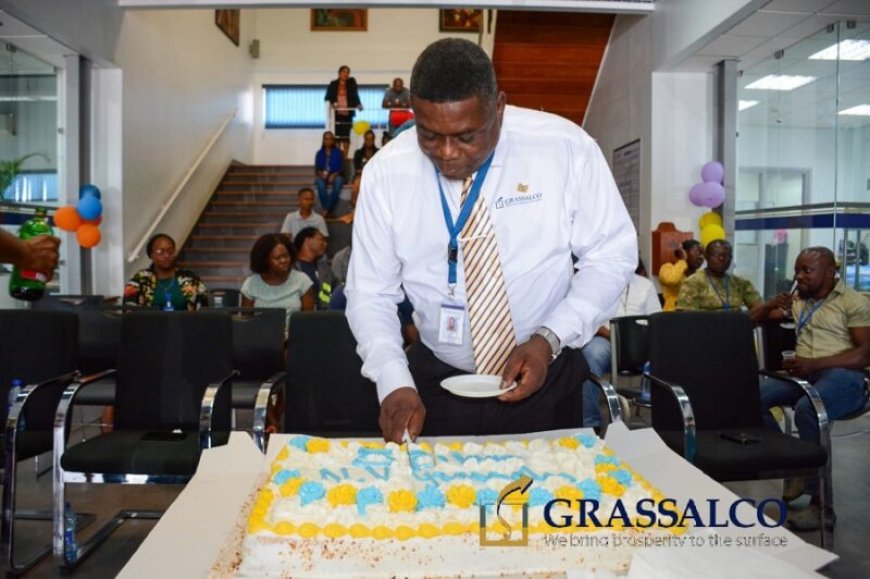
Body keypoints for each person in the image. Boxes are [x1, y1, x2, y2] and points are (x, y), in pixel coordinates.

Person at [345, 38, 637, 443]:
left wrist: (549, 337)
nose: (447, 153)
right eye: (429, 135)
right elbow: (371, 293)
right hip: (435, 388)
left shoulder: (564, 149)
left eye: (467, 136)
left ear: (498, 106)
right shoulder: (386, 174)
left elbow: (611, 256)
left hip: (546, 376)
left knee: (546, 500)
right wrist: (393, 380)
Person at [757, 247, 870, 531]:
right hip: (805, 374)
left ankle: (820, 506)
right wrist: (772, 302)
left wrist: (815, 363)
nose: (799, 276)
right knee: (751, 398)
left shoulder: (853, 302)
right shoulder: (799, 300)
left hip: (846, 376)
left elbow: (865, 355)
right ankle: (793, 465)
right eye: (797, 270)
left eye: (807, 270)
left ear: (830, 272)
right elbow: (752, 319)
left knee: (810, 409)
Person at [580, 258, 662, 427]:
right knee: (591, 354)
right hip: (607, 340)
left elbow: (656, 321)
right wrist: (614, 336)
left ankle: (667, 422)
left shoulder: (645, 285)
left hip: (640, 344)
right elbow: (589, 321)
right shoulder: (596, 285)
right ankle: (590, 423)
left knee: (668, 351)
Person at [676, 239, 767, 323]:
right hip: (706, 335)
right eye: (717, 255)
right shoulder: (693, 282)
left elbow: (761, 310)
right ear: (706, 257)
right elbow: (686, 321)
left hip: (737, 332)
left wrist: (773, 305)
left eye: (727, 256)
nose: (722, 259)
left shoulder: (740, 283)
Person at [241, 233, 315, 332]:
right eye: (277, 258)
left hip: (295, 340)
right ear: (264, 260)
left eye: (286, 256)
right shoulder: (251, 284)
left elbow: (309, 321)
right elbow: (246, 323)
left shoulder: (302, 280)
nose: (284, 260)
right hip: (260, 340)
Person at [123, 233, 207, 310]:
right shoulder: (141, 278)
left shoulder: (190, 278)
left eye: (170, 251)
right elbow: (128, 307)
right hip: (150, 325)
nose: (166, 255)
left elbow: (205, 307)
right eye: (160, 252)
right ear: (151, 255)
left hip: (185, 325)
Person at [324, 65, 362, 159]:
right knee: (337, 137)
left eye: (347, 72)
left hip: (347, 114)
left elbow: (355, 95)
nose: (346, 74)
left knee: (346, 137)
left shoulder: (351, 83)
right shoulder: (333, 84)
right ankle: (337, 157)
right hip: (337, 114)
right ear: (339, 73)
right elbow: (327, 97)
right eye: (344, 72)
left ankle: (344, 157)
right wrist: (333, 103)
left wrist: (358, 104)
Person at [293, 227, 334, 309]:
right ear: (308, 241)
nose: (325, 244)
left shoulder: (324, 267)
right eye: (321, 239)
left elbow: (328, 291)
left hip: (323, 315)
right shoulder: (292, 267)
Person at [659, 239, 704, 311]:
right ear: (684, 252)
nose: (701, 257)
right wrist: (683, 260)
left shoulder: (701, 274)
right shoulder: (667, 267)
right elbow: (671, 280)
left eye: (702, 254)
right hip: (673, 314)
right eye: (698, 253)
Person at [314, 131, 345, 218]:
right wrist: (321, 173)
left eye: (330, 139)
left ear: (333, 140)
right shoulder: (319, 153)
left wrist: (334, 174)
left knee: (338, 182)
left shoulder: (339, 152)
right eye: (326, 139)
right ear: (323, 140)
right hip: (323, 176)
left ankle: (326, 210)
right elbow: (317, 169)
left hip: (337, 175)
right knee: (319, 183)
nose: (328, 141)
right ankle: (329, 211)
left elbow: (342, 168)